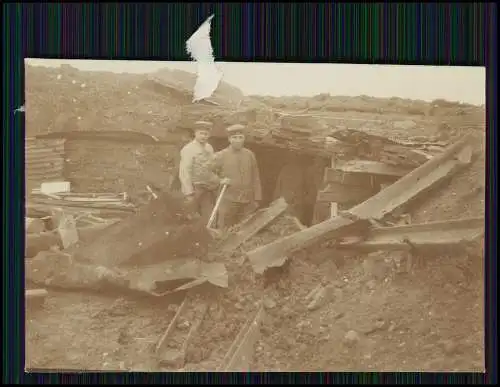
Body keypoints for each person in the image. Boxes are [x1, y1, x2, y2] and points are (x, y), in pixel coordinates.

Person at [213, 124, 262, 229]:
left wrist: (257, 198)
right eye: (234, 137)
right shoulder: (221, 155)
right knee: (224, 229)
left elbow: (255, 177)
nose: (238, 140)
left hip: (247, 201)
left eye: (240, 137)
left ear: (244, 139)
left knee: (244, 230)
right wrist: (219, 180)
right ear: (229, 139)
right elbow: (205, 172)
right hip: (227, 200)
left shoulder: (250, 155)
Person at [178, 121, 220, 222]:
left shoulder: (209, 148)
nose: (203, 136)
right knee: (191, 216)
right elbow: (184, 172)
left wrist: (216, 180)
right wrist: (188, 192)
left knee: (209, 216)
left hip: (207, 188)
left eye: (206, 134)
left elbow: (211, 167)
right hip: (194, 188)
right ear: (195, 133)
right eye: (201, 133)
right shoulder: (188, 149)